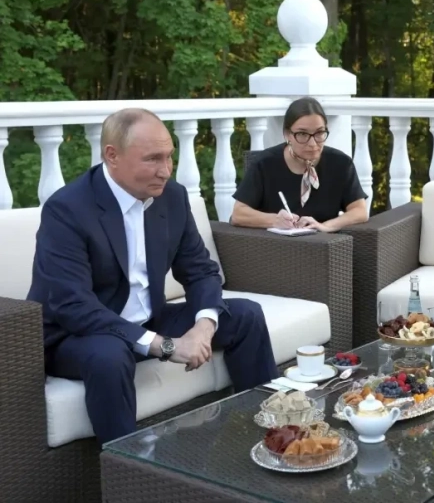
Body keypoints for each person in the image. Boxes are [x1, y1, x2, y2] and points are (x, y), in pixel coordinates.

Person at [27, 108, 279, 445]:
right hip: (77, 335)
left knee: (245, 315)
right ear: (112, 155)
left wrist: (203, 328)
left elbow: (200, 270)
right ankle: (130, 465)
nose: (165, 170)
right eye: (152, 159)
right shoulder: (67, 209)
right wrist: (166, 346)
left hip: (150, 319)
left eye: (169, 156)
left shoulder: (171, 197)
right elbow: (72, 305)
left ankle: (268, 435)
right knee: (109, 355)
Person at [230, 96, 369, 232]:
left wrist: (326, 226)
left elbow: (360, 210)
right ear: (287, 134)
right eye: (302, 134)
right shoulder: (264, 164)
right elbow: (238, 214)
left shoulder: (340, 163)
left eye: (319, 133)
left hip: (323, 244)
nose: (312, 143)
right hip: (274, 243)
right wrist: (274, 220)